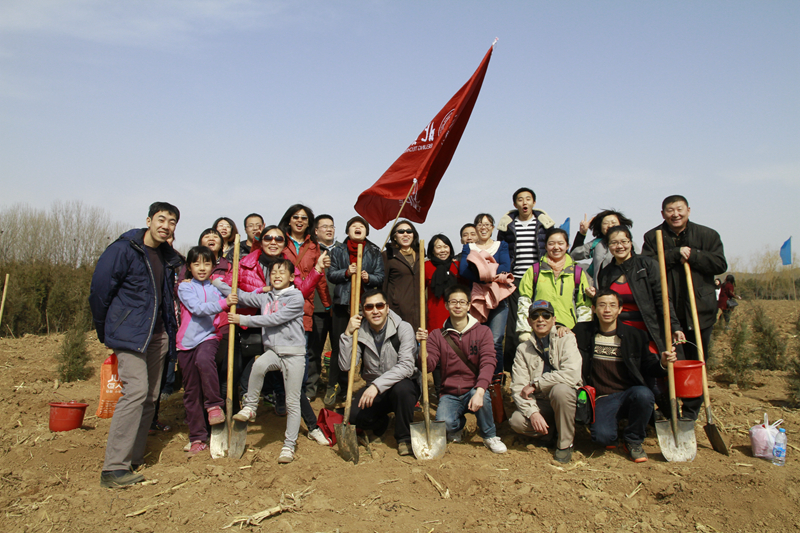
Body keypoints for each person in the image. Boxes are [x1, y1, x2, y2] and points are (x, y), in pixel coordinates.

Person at [89, 202, 182, 488]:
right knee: (136, 392)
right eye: (161, 219)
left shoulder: (167, 256)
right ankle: (113, 468)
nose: (166, 226)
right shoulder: (124, 249)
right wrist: (107, 331)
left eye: (172, 222)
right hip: (130, 334)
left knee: (151, 396)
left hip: (158, 334)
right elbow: (100, 291)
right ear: (149, 220)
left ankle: (133, 457)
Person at [226, 225, 330, 446]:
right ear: (260, 240)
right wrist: (215, 282)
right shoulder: (244, 263)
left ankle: (310, 426)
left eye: (279, 239)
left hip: (276, 326)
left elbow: (301, 291)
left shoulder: (288, 266)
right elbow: (234, 290)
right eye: (268, 237)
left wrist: (318, 270)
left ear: (284, 243)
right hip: (247, 326)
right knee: (243, 374)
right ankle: (239, 416)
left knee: (292, 387)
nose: (273, 241)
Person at [642, 195, 727, 419]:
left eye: (679, 209)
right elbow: (647, 265)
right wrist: (673, 254)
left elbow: (720, 263)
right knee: (671, 360)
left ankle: (691, 411)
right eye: (670, 210)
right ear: (663, 214)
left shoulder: (707, 235)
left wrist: (694, 255)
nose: (675, 214)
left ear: (688, 210)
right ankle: (671, 409)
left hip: (700, 311)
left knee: (697, 360)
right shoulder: (653, 237)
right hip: (668, 312)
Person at [218, 259, 307, 463]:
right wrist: (216, 283)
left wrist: (243, 320)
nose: (277, 276)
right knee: (258, 365)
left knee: (292, 402)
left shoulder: (296, 297)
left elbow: (274, 319)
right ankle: (250, 407)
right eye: (273, 272)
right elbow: (241, 296)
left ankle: (289, 445)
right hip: (273, 351)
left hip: (293, 353)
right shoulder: (265, 297)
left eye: (282, 272)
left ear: (291, 277)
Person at [573, 290, 677, 463]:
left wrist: (663, 363)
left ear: (620, 309)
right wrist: (561, 329)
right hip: (601, 398)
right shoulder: (582, 332)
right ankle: (612, 427)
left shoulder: (635, 335)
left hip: (628, 395)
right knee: (603, 438)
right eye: (602, 305)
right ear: (594, 309)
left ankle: (633, 440)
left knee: (644, 394)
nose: (607, 310)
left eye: (612, 305)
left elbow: (648, 366)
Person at [415, 285, 507, 453]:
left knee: (483, 397)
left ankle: (489, 435)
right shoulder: (436, 335)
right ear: (446, 305)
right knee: (445, 425)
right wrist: (422, 347)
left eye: (462, 302)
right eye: (453, 302)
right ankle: (457, 427)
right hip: (450, 393)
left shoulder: (483, 332)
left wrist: (480, 391)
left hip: (473, 388)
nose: (458, 305)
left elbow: (488, 362)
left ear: (469, 305)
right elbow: (428, 366)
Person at [340, 289, 420, 456]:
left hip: (402, 384)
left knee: (403, 390)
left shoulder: (403, 328)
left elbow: (406, 366)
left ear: (387, 308)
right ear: (363, 311)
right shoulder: (359, 331)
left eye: (379, 306)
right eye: (369, 307)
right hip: (374, 389)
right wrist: (347, 334)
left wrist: (377, 386)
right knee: (354, 416)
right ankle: (382, 422)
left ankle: (404, 438)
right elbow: (345, 366)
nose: (375, 311)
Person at [176, 245, 237, 457]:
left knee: (204, 360)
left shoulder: (216, 287)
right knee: (192, 391)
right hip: (186, 342)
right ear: (189, 267)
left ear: (213, 266)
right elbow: (197, 309)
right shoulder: (184, 288)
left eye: (207, 263)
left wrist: (261, 291)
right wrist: (224, 303)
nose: (202, 268)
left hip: (209, 336)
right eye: (196, 264)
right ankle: (197, 437)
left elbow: (238, 295)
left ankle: (214, 405)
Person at [509, 300, 582, 463]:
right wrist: (533, 413)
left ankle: (565, 444)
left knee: (560, 391)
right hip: (541, 402)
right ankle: (550, 432)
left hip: (565, 399)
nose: (540, 319)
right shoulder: (523, 349)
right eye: (535, 316)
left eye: (546, 315)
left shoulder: (566, 338)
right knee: (517, 421)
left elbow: (572, 374)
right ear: (529, 321)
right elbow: (518, 387)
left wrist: (537, 383)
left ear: (554, 319)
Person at [596, 226, 684, 356]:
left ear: (631, 243)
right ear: (608, 246)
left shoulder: (647, 265)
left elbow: (663, 299)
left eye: (624, 241)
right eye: (614, 243)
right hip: (620, 333)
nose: (619, 246)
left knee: (655, 363)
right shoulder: (605, 273)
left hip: (650, 329)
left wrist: (674, 326)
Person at [325, 216, 385, 407]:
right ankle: (337, 386)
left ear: (366, 231)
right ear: (347, 231)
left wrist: (369, 278)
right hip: (343, 304)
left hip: (366, 306)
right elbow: (331, 274)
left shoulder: (374, 251)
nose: (358, 228)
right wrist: (346, 272)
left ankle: (368, 385)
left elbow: (380, 276)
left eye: (362, 226)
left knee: (368, 346)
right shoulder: (338, 250)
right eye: (354, 226)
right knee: (341, 345)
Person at [497, 188, 556, 371]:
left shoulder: (544, 224)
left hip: (539, 277)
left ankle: (545, 363)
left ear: (534, 203)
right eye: (520, 199)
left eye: (528, 199)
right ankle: (512, 367)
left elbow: (553, 247)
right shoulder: (507, 226)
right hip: (515, 279)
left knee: (541, 318)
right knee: (515, 322)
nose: (524, 202)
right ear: (515, 204)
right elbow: (501, 249)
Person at [516, 228, 592, 342]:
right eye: (551, 243)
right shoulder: (534, 271)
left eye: (560, 243)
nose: (556, 247)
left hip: (569, 331)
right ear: (546, 246)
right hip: (539, 330)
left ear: (567, 246)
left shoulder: (577, 273)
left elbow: (584, 306)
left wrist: (581, 332)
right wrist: (525, 330)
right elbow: (524, 301)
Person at [459, 213, 512, 375]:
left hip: (498, 299)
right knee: (476, 341)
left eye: (487, 224)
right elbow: (463, 270)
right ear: (476, 228)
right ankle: (478, 376)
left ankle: (496, 378)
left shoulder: (501, 245)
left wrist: (481, 270)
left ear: (493, 228)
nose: (484, 227)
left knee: (496, 341)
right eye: (480, 224)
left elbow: (505, 267)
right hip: (476, 300)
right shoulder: (469, 247)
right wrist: (489, 275)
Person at [307, 214, 338, 397]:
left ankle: (335, 386)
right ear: (316, 230)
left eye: (331, 226)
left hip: (339, 307)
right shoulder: (311, 250)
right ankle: (311, 387)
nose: (329, 229)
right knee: (314, 349)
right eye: (324, 226)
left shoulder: (342, 249)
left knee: (339, 349)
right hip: (317, 307)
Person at [570, 209, 635, 286]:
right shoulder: (596, 244)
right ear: (600, 227)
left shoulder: (628, 244)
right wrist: (582, 234)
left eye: (613, 223)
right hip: (601, 290)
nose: (610, 225)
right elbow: (573, 255)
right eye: (605, 223)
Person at [382, 220, 422, 332]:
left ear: (414, 235)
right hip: (397, 310)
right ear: (395, 236)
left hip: (419, 309)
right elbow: (383, 284)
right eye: (401, 231)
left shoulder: (421, 254)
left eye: (409, 231)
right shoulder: (387, 255)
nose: (405, 234)